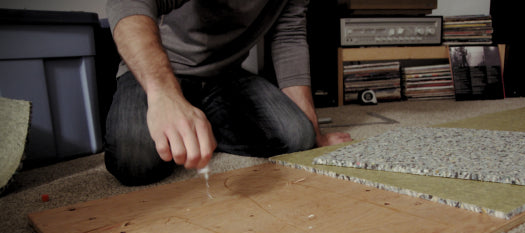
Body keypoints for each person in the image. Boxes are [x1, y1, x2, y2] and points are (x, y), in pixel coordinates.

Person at [105, 0, 352, 186]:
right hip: (157, 72)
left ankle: (201, 123)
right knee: (135, 161)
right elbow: (128, 2)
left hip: (225, 76)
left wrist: (313, 131)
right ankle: (188, 119)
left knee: (298, 137)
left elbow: (289, 35)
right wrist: (164, 94)